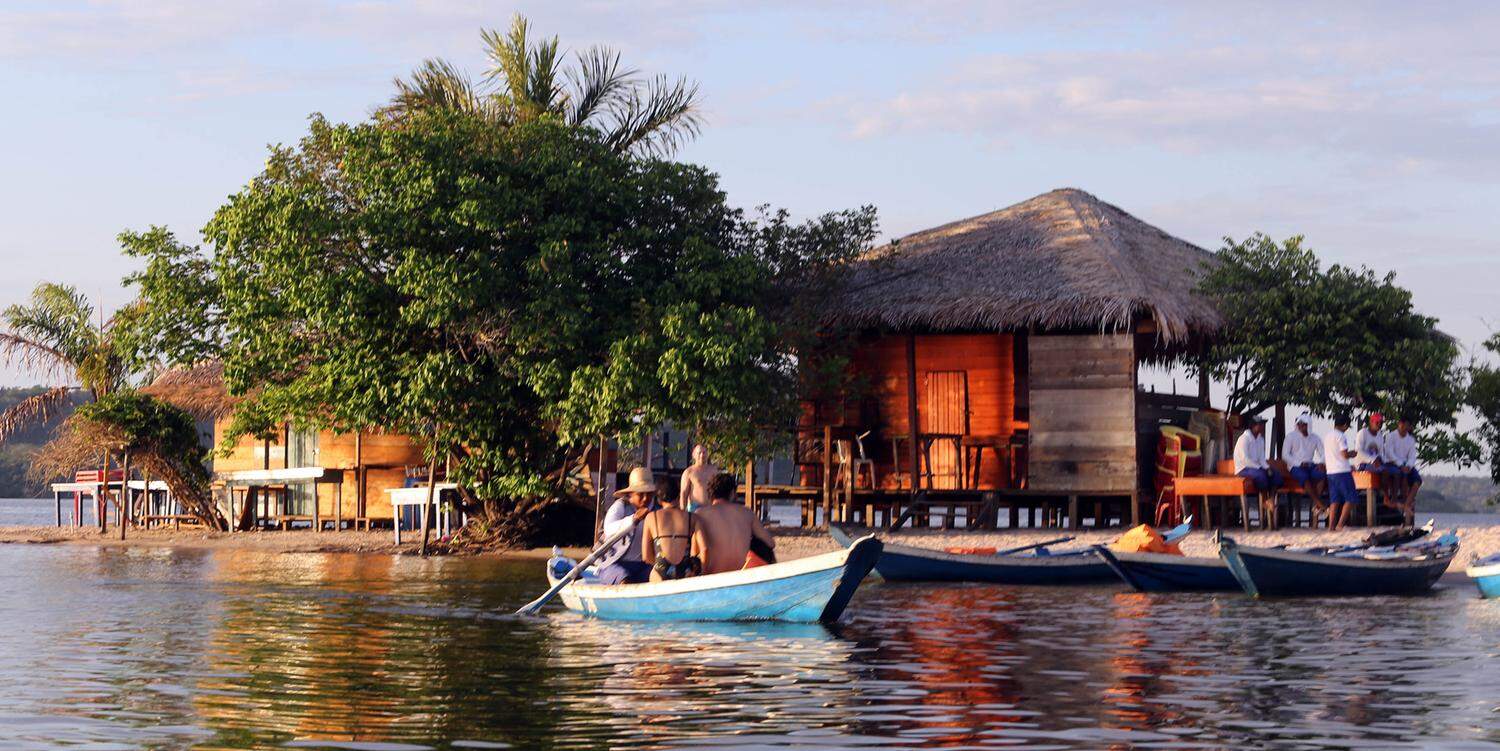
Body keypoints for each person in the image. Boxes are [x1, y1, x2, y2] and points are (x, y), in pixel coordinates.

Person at [695, 472, 777, 574]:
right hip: (740, 574)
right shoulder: (747, 513)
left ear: (710, 493)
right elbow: (770, 543)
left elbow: (698, 550)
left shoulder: (700, 514)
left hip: (712, 575)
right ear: (732, 493)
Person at [594, 467, 658, 585]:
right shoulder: (620, 506)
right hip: (613, 564)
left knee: (661, 577)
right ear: (631, 494)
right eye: (640, 494)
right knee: (625, 580)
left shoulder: (656, 510)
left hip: (643, 566)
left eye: (649, 494)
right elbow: (609, 529)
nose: (645, 498)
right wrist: (633, 519)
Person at [641, 482, 707, 581]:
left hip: (661, 570)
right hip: (685, 571)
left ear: (658, 499)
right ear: (678, 496)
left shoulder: (651, 517)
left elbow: (646, 556)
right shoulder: (692, 518)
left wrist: (660, 563)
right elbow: (705, 549)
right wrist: (702, 572)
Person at [1233, 415, 1281, 527]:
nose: (1262, 427)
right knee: (1262, 476)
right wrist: (1260, 468)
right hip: (1243, 468)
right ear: (1254, 426)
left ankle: (1271, 499)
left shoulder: (1260, 439)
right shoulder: (1244, 439)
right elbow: (1245, 459)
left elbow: (1261, 459)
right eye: (1260, 425)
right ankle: (1264, 500)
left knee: (1276, 475)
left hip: (1256, 467)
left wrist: (1267, 467)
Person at [1283, 414, 1327, 523]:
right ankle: (1319, 504)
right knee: (1304, 476)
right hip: (1295, 466)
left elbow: (1323, 452)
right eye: (1300, 424)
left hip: (1310, 465)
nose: (1301, 427)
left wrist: (1321, 462)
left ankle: (1317, 506)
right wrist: (1298, 463)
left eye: (1304, 425)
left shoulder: (1315, 437)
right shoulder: (1290, 436)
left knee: (1321, 474)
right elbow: (1285, 455)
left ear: (1309, 425)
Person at [1323, 414, 1360, 531]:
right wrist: (1352, 454)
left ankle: (1331, 527)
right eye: (1347, 426)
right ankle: (1340, 525)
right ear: (1344, 425)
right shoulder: (1341, 436)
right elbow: (1344, 454)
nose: (1347, 428)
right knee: (1351, 498)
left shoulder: (1328, 436)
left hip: (1330, 471)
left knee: (1334, 500)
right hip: (1342, 471)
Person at [1382, 418, 1422, 524]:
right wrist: (1400, 464)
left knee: (1417, 481)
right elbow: (1389, 453)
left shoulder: (1410, 439)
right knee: (1401, 474)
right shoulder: (1390, 436)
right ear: (1399, 424)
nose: (1404, 427)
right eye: (1402, 424)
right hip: (1392, 463)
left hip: (1406, 464)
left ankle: (1406, 505)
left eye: (1407, 425)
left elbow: (1412, 456)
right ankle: (1401, 502)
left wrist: (1409, 465)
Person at [1354, 412, 1389, 507]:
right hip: (1362, 464)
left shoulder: (1380, 436)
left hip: (1375, 463)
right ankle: (1385, 497)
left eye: (1381, 423)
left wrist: (1381, 460)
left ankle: (1383, 495)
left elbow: (1381, 453)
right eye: (1377, 422)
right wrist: (1372, 460)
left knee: (1391, 469)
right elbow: (1358, 451)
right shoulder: (1363, 433)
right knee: (1383, 471)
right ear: (1371, 422)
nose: (1379, 425)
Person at [678, 444, 718, 512]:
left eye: (704, 452)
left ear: (708, 454)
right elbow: (683, 493)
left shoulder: (714, 470)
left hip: (711, 507)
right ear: (694, 455)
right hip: (695, 508)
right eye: (699, 453)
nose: (702, 455)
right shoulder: (689, 472)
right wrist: (683, 512)